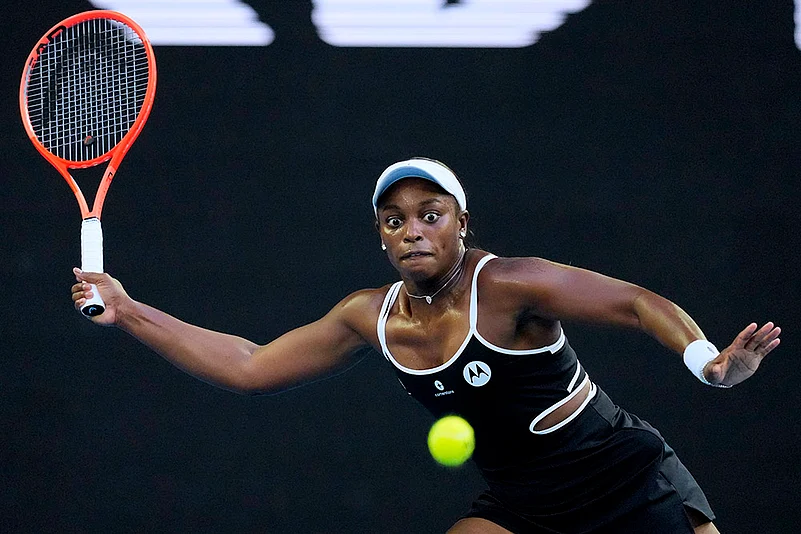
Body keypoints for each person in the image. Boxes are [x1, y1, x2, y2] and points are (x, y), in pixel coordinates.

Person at [71, 157, 780, 534]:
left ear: (460, 223)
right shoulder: (367, 317)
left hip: (625, 482)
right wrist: (130, 310)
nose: (411, 229)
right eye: (393, 219)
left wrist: (707, 362)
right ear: (379, 235)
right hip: (524, 503)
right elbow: (251, 367)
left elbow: (635, 302)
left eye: (429, 214)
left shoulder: (509, 283)